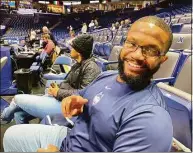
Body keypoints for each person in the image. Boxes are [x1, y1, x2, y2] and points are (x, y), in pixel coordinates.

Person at [3, 16, 173, 152]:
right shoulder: (107, 76)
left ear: (163, 59)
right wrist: (73, 100)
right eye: (132, 43)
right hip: (69, 137)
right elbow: (83, 96)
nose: (137, 55)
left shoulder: (151, 119)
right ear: (123, 43)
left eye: (150, 50)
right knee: (9, 135)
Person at [1, 35, 101, 125]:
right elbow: (69, 83)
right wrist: (58, 88)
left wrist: (58, 92)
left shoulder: (91, 68)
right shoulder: (78, 64)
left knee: (17, 99)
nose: (70, 49)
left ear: (79, 51)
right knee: (19, 114)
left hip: (69, 108)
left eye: (73, 47)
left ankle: (3, 117)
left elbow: (83, 96)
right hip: (62, 99)